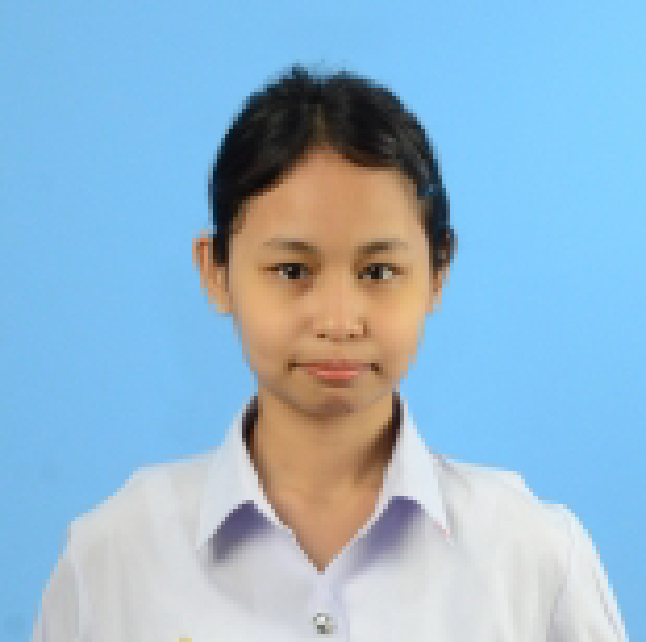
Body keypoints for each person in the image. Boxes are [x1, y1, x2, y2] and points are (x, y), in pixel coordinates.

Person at [32, 63, 629, 641]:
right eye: (292, 270)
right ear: (215, 272)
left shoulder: (534, 560)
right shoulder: (114, 560)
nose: (339, 321)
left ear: (438, 273)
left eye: (378, 271)